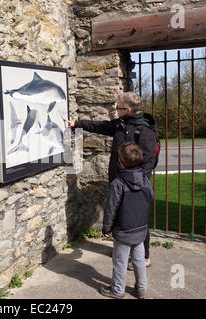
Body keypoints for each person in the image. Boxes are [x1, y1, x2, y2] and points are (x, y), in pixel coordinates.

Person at [65, 92, 157, 268]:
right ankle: (124, 249)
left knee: (137, 219)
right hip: (119, 180)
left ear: (128, 110)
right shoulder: (121, 124)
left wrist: (133, 181)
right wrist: (76, 124)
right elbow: (100, 126)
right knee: (121, 216)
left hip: (135, 185)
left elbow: (149, 161)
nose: (115, 108)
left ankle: (144, 256)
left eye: (118, 107)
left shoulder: (145, 131)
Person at [100, 141, 153, 299]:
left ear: (120, 162)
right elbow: (150, 195)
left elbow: (111, 208)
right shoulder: (145, 179)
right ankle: (142, 290)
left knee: (120, 261)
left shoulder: (118, 183)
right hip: (141, 227)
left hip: (123, 230)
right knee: (139, 260)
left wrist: (106, 228)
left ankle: (117, 290)